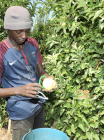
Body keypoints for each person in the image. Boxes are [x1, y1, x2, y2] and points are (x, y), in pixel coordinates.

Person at [0, 6, 57, 140]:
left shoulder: (32, 44)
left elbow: (41, 70)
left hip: (39, 106)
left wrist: (47, 79)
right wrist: (20, 90)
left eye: (27, 31)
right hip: (21, 114)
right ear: (8, 28)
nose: (24, 36)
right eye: (19, 31)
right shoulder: (2, 52)